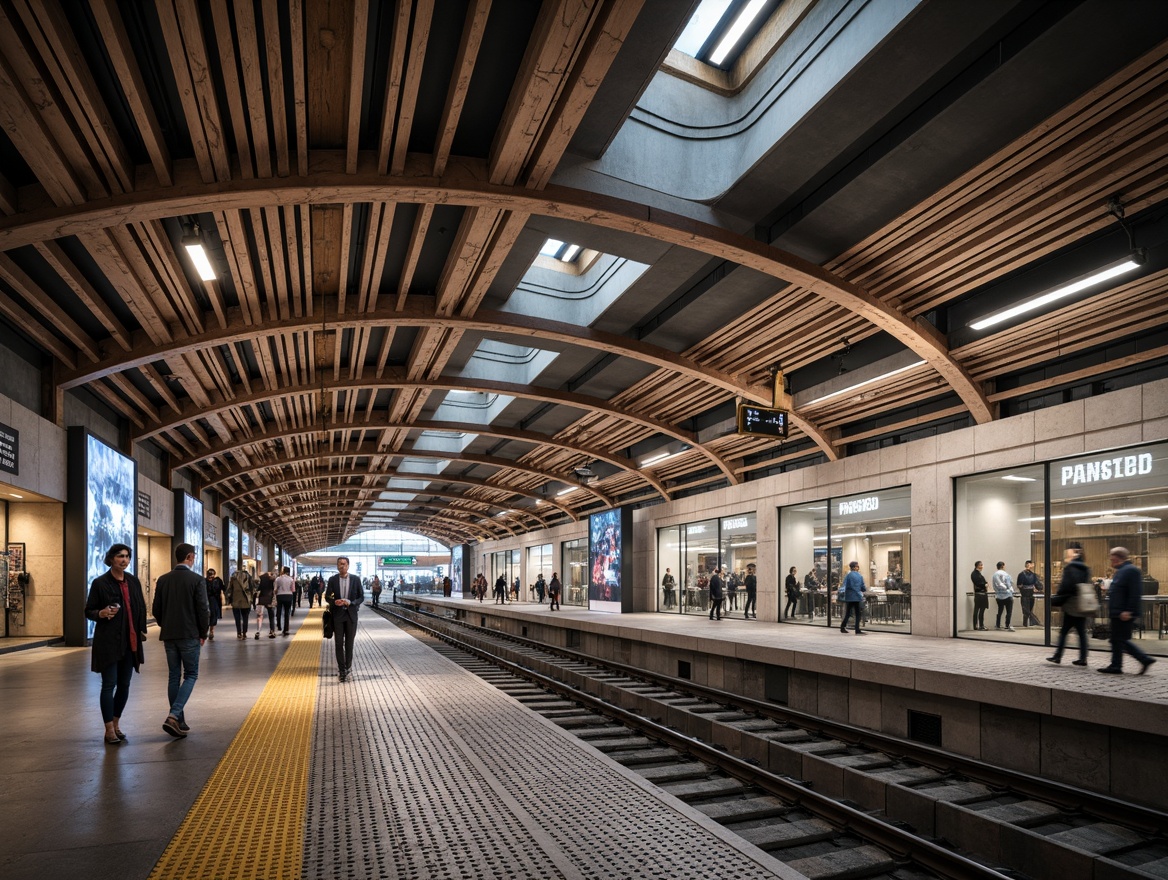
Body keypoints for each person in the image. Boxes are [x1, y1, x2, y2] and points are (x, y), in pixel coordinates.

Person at [85, 543, 147, 745]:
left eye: (127, 556)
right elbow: (89, 610)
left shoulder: (133, 582)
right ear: (111, 558)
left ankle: (116, 722)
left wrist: (141, 630)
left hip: (130, 642)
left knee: (124, 685)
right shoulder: (100, 583)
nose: (124, 560)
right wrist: (100, 613)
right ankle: (108, 729)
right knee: (109, 684)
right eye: (120, 556)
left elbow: (140, 607)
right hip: (109, 642)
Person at [152, 543, 209, 738]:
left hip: (169, 635)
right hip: (190, 634)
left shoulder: (163, 580)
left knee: (174, 676)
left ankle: (180, 721)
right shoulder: (196, 580)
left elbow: (156, 610)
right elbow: (203, 609)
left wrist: (166, 624)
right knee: (191, 674)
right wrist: (203, 632)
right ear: (190, 557)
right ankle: (174, 715)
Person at [1099, 547, 1156, 675]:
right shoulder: (1121, 571)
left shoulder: (1131, 571)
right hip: (1117, 611)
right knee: (1117, 640)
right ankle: (1117, 665)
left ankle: (1143, 659)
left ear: (1118, 558)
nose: (1110, 560)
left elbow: (1135, 593)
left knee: (1120, 640)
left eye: (1112, 558)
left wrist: (1129, 610)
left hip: (1123, 612)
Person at [1047, 542, 1091, 667]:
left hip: (1071, 604)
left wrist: (1059, 596)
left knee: (1064, 631)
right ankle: (1083, 658)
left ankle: (1058, 656)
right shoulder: (1085, 568)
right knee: (1081, 633)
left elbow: (1066, 585)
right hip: (1082, 603)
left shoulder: (1070, 568)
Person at [325, 557, 364, 682]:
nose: (342, 566)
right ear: (337, 566)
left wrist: (351, 603)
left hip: (351, 615)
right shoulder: (332, 580)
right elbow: (327, 596)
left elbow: (361, 597)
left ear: (348, 565)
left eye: (344, 564)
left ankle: (348, 668)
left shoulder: (355, 579)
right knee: (338, 643)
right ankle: (341, 670)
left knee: (349, 644)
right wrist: (334, 601)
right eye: (340, 564)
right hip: (337, 615)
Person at [839, 560, 867, 634]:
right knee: (858, 613)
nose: (858, 567)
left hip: (849, 596)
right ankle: (857, 629)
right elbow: (863, 587)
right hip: (857, 596)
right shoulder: (859, 576)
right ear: (854, 567)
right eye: (857, 566)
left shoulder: (848, 576)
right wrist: (863, 590)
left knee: (848, 613)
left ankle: (842, 627)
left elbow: (844, 585)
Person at [1016, 560, 1042, 627]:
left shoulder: (1033, 574)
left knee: (1029, 610)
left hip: (1030, 594)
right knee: (1026, 611)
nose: (1032, 565)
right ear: (1028, 564)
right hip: (1025, 594)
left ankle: (1028, 624)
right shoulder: (1022, 574)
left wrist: (1039, 588)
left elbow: (1037, 584)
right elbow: (1019, 585)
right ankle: (1027, 624)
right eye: (1031, 564)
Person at [992, 561, 1015, 631]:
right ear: (1003, 566)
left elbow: (996, 585)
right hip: (1008, 595)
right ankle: (1007, 625)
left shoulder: (995, 575)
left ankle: (998, 624)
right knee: (1009, 611)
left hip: (999, 596)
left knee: (1000, 611)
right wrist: (1009, 590)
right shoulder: (1006, 574)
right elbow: (1010, 583)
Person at [254, 570, 276, 639]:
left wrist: (254, 603)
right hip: (269, 599)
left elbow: (257, 591)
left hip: (261, 599)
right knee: (271, 616)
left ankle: (258, 631)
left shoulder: (260, 580)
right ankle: (272, 631)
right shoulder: (272, 580)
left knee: (259, 616)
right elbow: (274, 590)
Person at [274, 566, 295, 636]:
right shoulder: (291, 579)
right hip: (289, 596)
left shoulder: (278, 579)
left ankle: (279, 625)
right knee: (287, 613)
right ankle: (286, 629)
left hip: (280, 596)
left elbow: (275, 589)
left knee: (279, 611)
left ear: (283, 571)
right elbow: (293, 590)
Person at [204, 567, 224, 641]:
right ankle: (208, 630)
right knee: (208, 616)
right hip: (208, 600)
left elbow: (223, 588)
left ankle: (211, 630)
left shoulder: (217, 581)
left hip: (212, 600)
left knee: (212, 616)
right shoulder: (204, 581)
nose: (210, 578)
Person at [970, 561, 989, 631]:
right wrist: (985, 585)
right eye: (981, 565)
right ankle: (980, 625)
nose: (982, 566)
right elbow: (979, 583)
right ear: (977, 566)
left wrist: (985, 583)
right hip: (980, 594)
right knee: (979, 610)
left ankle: (979, 625)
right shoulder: (975, 574)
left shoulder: (978, 574)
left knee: (980, 610)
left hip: (981, 594)